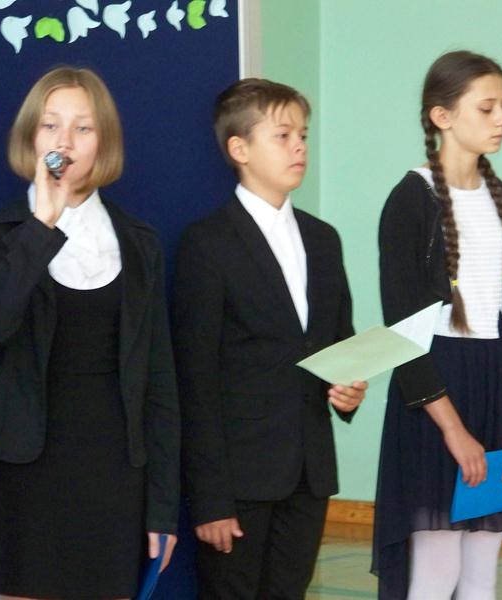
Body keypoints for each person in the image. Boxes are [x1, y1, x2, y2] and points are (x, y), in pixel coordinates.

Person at [0, 66, 180, 600]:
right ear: (30, 138)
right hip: (26, 471)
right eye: (50, 125)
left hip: (114, 475)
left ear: (104, 141)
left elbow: (159, 382)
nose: (65, 141)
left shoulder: (139, 242)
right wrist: (42, 225)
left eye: (83, 127)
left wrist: (163, 508)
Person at [173, 78, 367, 599]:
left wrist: (348, 390)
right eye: (283, 135)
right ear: (239, 149)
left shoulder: (323, 240)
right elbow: (195, 380)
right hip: (238, 481)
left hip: (308, 472)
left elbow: (338, 344)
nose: (299, 146)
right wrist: (210, 499)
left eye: (303, 135)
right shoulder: (206, 244)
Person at [371, 51, 502, 600]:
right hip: (435, 393)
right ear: (442, 116)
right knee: (437, 569)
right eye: (487, 108)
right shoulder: (410, 200)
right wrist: (453, 430)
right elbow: (403, 334)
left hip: (495, 384)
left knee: (482, 570)